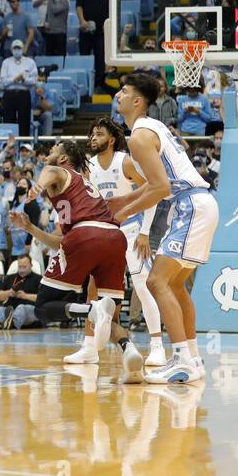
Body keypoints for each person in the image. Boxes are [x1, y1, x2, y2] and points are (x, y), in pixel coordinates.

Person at [108, 72, 217, 384]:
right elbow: (156, 185)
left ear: (138, 101)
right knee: (175, 285)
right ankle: (192, 358)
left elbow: (159, 187)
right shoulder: (152, 128)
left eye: (124, 92)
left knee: (157, 282)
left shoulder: (140, 136)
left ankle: (182, 359)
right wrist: (125, 200)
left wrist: (124, 212)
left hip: (189, 205)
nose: (118, 96)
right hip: (198, 202)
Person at [10, 138, 145, 382]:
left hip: (86, 235)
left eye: (53, 150)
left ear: (63, 159)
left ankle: (90, 309)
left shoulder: (58, 171)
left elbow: (48, 172)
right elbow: (62, 243)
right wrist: (29, 227)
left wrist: (36, 189)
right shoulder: (81, 188)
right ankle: (130, 353)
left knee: (42, 308)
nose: (49, 153)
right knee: (110, 314)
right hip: (114, 238)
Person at [86, 117, 165, 366]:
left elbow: (153, 192)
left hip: (131, 231)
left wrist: (144, 232)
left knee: (142, 287)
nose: (93, 139)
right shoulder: (89, 166)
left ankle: (157, 346)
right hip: (104, 234)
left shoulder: (125, 161)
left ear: (110, 140)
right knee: (94, 290)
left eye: (98, 134)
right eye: (92, 135)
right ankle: (89, 347)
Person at [0, 256, 40, 329]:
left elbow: (42, 298)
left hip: (28, 308)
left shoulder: (38, 279)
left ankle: (11, 323)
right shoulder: (9, 278)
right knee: (0, 309)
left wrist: (25, 296)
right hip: (10, 307)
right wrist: (9, 293)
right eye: (20, 267)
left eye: (24, 267)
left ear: (31, 266)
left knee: (21, 308)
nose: (21, 270)